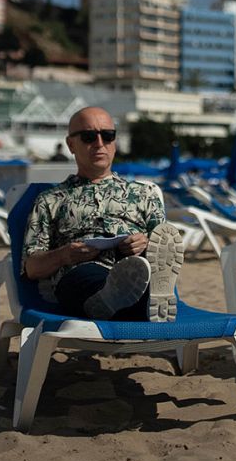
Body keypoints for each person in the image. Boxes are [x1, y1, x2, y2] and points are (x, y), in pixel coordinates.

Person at [21, 107, 186, 321]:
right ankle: (120, 300)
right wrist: (64, 254)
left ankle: (142, 297)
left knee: (147, 264)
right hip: (80, 274)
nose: (99, 144)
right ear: (71, 144)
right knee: (85, 278)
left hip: (136, 267)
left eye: (108, 136)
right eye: (89, 136)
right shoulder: (50, 199)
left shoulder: (144, 193)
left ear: (114, 143)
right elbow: (31, 268)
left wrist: (144, 243)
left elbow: (165, 245)